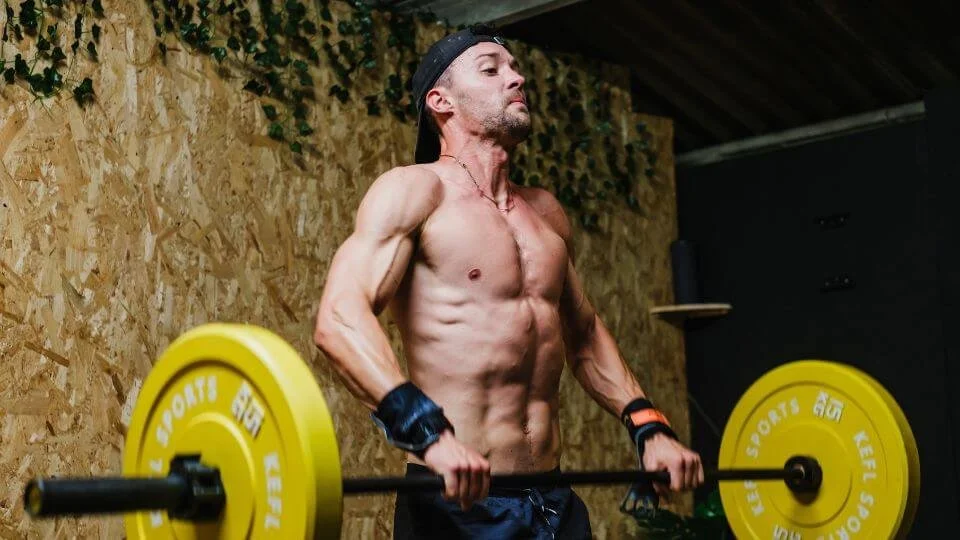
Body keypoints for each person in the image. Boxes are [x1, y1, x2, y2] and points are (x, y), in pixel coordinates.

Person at [313, 25, 703, 539]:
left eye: (516, 68)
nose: (516, 78)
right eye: (491, 69)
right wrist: (429, 436)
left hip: (553, 501)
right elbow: (339, 320)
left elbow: (584, 334)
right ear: (441, 102)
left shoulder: (545, 212)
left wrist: (648, 426)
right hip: (456, 503)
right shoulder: (415, 192)